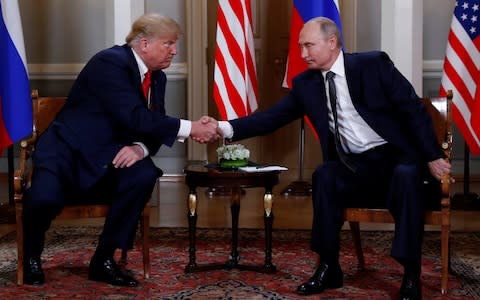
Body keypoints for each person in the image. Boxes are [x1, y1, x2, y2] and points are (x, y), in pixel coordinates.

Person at [218, 17, 451, 300]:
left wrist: (432, 156)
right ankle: (329, 266)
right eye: (301, 46)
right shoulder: (305, 83)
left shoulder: (372, 65)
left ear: (331, 43)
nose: (303, 54)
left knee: (405, 174)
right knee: (325, 175)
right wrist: (225, 127)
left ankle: (410, 272)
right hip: (355, 166)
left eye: (309, 46)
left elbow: (413, 110)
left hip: (395, 159)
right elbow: (272, 118)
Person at [22, 13, 219, 286]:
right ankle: (30, 256)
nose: (174, 50)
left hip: (109, 156)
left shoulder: (156, 77)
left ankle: (104, 259)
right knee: (43, 199)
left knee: (143, 174)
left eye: (175, 45)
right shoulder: (110, 63)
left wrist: (140, 148)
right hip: (68, 154)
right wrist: (191, 128)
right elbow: (134, 116)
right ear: (145, 44)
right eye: (169, 43)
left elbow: (149, 122)